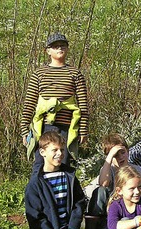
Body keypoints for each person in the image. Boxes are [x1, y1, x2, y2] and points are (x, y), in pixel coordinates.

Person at [20, 32, 89, 171]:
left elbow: (83, 105)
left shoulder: (75, 73)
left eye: (62, 45)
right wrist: (24, 130)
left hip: (67, 128)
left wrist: (83, 130)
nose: (59, 49)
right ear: (48, 51)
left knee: (63, 166)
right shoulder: (39, 74)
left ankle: (64, 193)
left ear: (67, 48)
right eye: (55, 46)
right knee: (39, 166)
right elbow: (29, 103)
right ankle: (38, 192)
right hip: (42, 127)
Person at [25, 130, 91, 229]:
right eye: (54, 150)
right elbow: (35, 217)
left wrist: (73, 228)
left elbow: (79, 203)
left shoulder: (69, 176)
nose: (59, 154)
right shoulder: (36, 183)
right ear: (42, 152)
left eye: (62, 150)